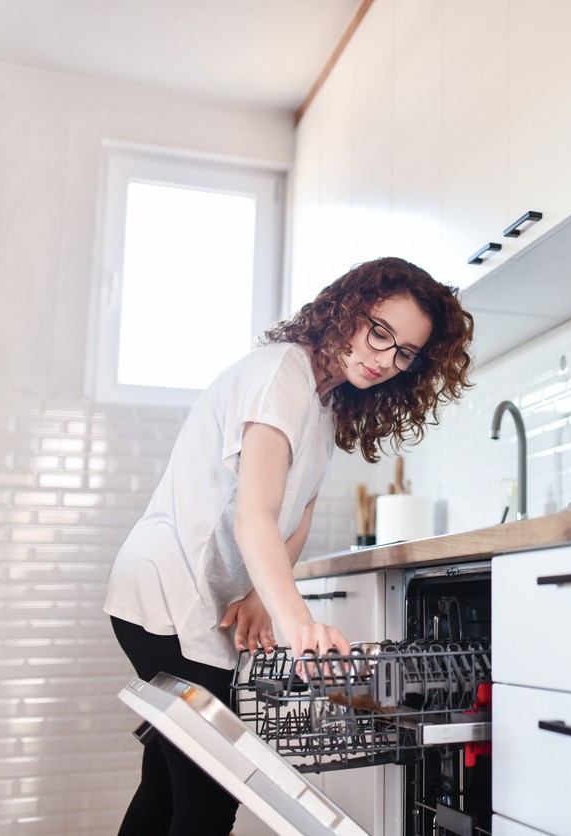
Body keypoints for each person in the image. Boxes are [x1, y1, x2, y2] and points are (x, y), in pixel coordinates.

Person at [103, 257, 474, 835]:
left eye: (405, 352)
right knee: (209, 788)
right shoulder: (284, 375)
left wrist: (257, 594)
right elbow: (254, 517)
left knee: (168, 779)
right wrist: (298, 625)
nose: (385, 359)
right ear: (346, 308)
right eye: (380, 332)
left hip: (185, 600)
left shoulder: (323, 404)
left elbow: (292, 518)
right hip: (166, 597)